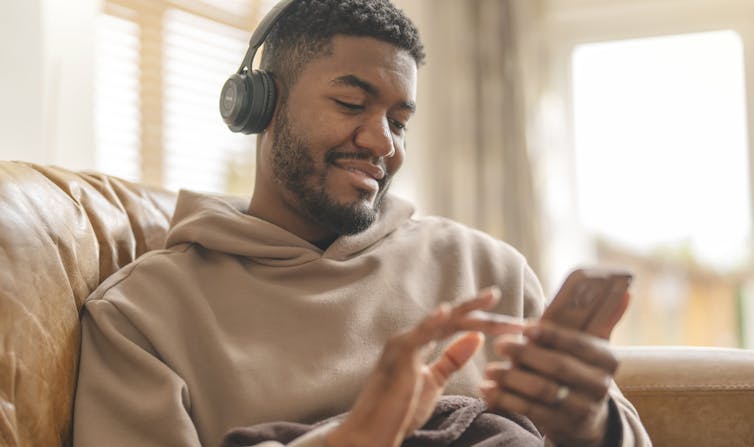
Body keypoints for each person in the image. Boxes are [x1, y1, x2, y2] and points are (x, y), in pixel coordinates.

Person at [73, 1, 651, 446]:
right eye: (352, 105)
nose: (383, 143)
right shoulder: (142, 315)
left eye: (399, 121)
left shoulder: (485, 269)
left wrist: (594, 424)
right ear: (261, 106)